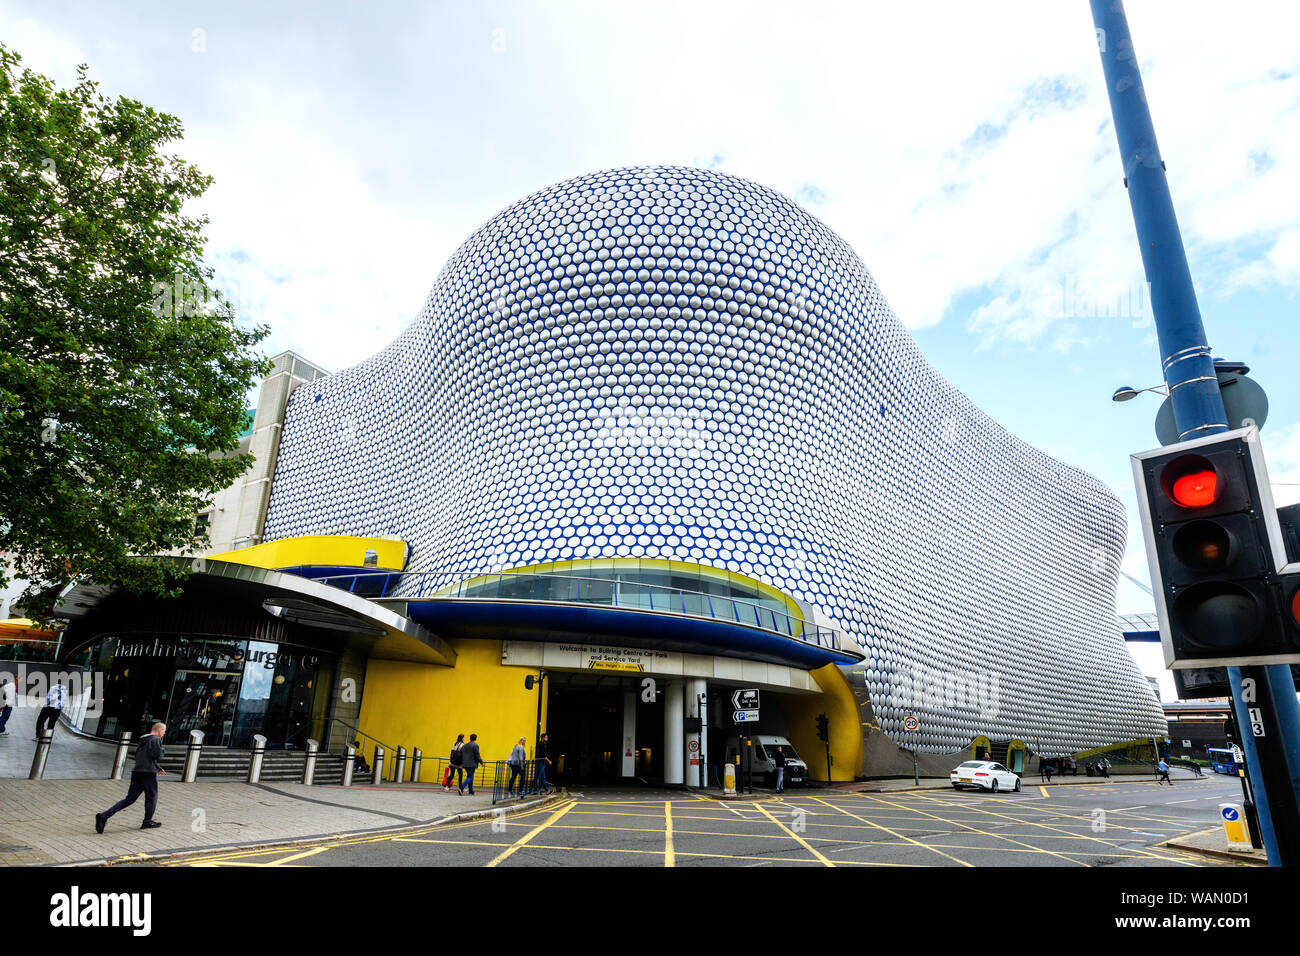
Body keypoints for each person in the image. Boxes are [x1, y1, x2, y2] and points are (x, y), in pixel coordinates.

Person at [95, 722, 166, 832]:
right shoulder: (155, 739)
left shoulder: (143, 739)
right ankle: (147, 822)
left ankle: (104, 816)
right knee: (152, 798)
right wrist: (162, 749)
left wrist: (158, 767)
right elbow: (158, 755)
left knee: (129, 799)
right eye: (164, 731)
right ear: (160, 730)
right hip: (148, 773)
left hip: (137, 771)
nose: (164, 733)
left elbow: (143, 756)